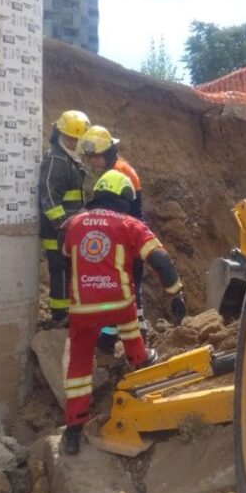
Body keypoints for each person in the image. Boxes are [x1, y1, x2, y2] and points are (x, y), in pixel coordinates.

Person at [59, 170, 186, 455]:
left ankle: (73, 429)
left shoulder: (75, 223)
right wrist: (175, 292)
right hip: (119, 301)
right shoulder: (130, 224)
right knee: (128, 319)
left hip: (83, 306)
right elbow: (161, 261)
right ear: (125, 198)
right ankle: (138, 361)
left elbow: (64, 254)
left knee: (79, 366)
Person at [78, 125, 149, 350]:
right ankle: (127, 335)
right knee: (128, 289)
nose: (91, 163)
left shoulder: (118, 173)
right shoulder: (121, 167)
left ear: (105, 153)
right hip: (131, 237)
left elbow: (117, 214)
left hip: (127, 240)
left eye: (93, 157)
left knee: (121, 289)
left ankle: (115, 339)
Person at [38, 109, 90, 328]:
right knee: (59, 270)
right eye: (70, 137)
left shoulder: (70, 159)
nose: (73, 142)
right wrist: (62, 226)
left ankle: (67, 312)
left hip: (68, 230)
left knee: (68, 270)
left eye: (76, 138)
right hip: (57, 232)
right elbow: (49, 196)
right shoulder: (58, 160)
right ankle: (59, 316)